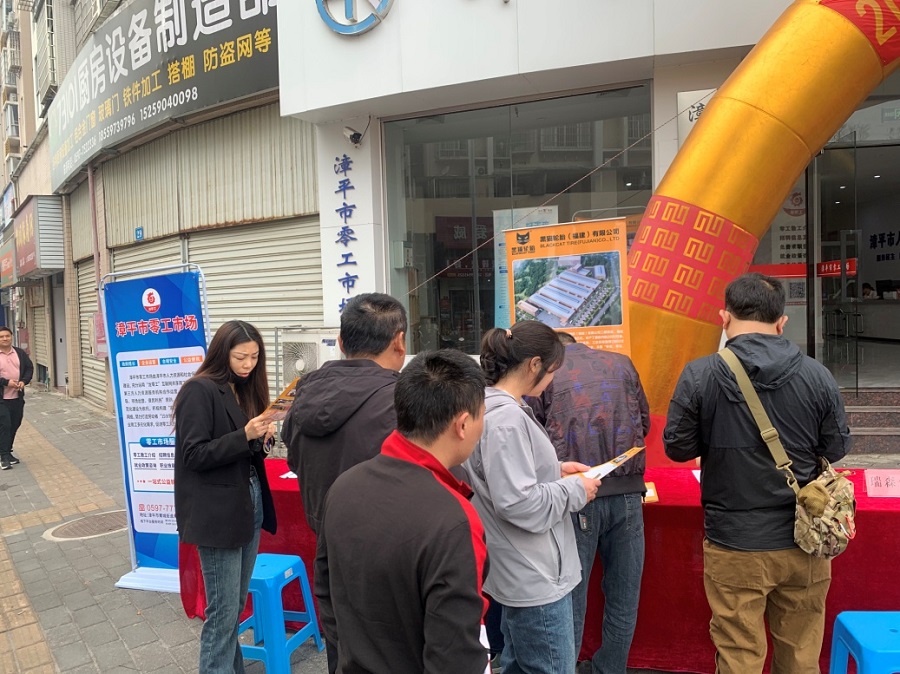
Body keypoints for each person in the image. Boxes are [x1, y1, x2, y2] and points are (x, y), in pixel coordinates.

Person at [663, 272, 851, 674]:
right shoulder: (817, 374)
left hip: (734, 542)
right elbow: (836, 448)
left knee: (739, 654)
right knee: (800, 654)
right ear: (782, 322)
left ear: (724, 317)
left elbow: (677, 447)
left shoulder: (700, 374)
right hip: (804, 538)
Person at [315, 350, 491, 674]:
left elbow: (326, 595)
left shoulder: (344, 486)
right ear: (463, 424)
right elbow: (455, 656)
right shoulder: (453, 521)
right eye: (483, 415)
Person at [463, 321, 602, 674]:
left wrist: (555, 471)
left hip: (524, 566)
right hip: (534, 573)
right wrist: (576, 490)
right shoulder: (506, 419)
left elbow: (508, 480)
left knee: (518, 663)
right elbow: (518, 502)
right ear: (534, 364)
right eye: (552, 370)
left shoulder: (496, 409)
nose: (553, 379)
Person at [281, 292, 406, 674]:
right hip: (389, 555)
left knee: (341, 648)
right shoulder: (402, 400)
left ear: (340, 341)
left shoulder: (304, 393)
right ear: (399, 342)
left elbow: (294, 459)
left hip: (329, 546)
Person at [527, 331, 650, 674]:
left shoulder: (547, 373)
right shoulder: (622, 364)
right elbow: (644, 421)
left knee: (571, 595)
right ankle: (611, 669)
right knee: (624, 594)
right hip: (628, 491)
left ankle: (565, 667)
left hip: (574, 493)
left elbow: (534, 438)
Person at [174, 320, 277, 674]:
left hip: (249, 499)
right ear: (222, 353)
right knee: (222, 612)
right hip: (216, 511)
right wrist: (244, 434)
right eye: (240, 357)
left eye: (255, 357)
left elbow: (247, 451)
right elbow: (193, 455)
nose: (248, 365)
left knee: (234, 607)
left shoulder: (243, 389)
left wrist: (262, 439)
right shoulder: (199, 390)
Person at [0, 326, 33, 470]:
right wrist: (6, 382)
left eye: (7, 336)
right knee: (5, 425)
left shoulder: (19, 353)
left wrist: (23, 381)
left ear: (11, 336)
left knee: (15, 424)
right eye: (1, 337)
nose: (5, 339)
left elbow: (29, 368)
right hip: (1, 399)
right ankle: (4, 457)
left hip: (16, 397)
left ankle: (8, 451)